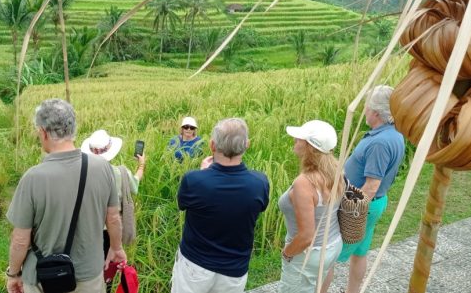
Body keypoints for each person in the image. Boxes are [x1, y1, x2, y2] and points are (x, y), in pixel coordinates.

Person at [5, 99, 127, 293]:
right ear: (73, 129)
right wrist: (116, 247)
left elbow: (20, 239)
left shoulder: (32, 178)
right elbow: (113, 218)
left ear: (43, 132)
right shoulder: (103, 168)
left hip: (42, 278)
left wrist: (13, 274)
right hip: (89, 277)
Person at [322, 85, 405, 293]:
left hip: (360, 207)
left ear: (375, 112)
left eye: (367, 107)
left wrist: (348, 213)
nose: (364, 111)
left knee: (328, 256)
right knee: (360, 252)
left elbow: (371, 185)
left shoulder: (380, 143)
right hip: (373, 204)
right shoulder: (393, 133)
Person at [171, 118, 270, 293]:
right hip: (235, 271)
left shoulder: (193, 180)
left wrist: (204, 174)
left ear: (212, 145)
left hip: (195, 267)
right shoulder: (260, 183)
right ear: (247, 144)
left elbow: (182, 204)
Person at [279, 120, 344, 293]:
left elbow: (307, 236)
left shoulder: (304, 183)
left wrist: (287, 253)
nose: (295, 140)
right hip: (333, 244)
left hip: (307, 254)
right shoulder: (336, 170)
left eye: (299, 139)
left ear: (309, 147)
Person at [80, 129, 145, 290]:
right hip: (110, 233)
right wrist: (142, 164)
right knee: (107, 270)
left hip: (85, 230)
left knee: (86, 271)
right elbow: (135, 185)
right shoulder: (119, 173)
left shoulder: (79, 173)